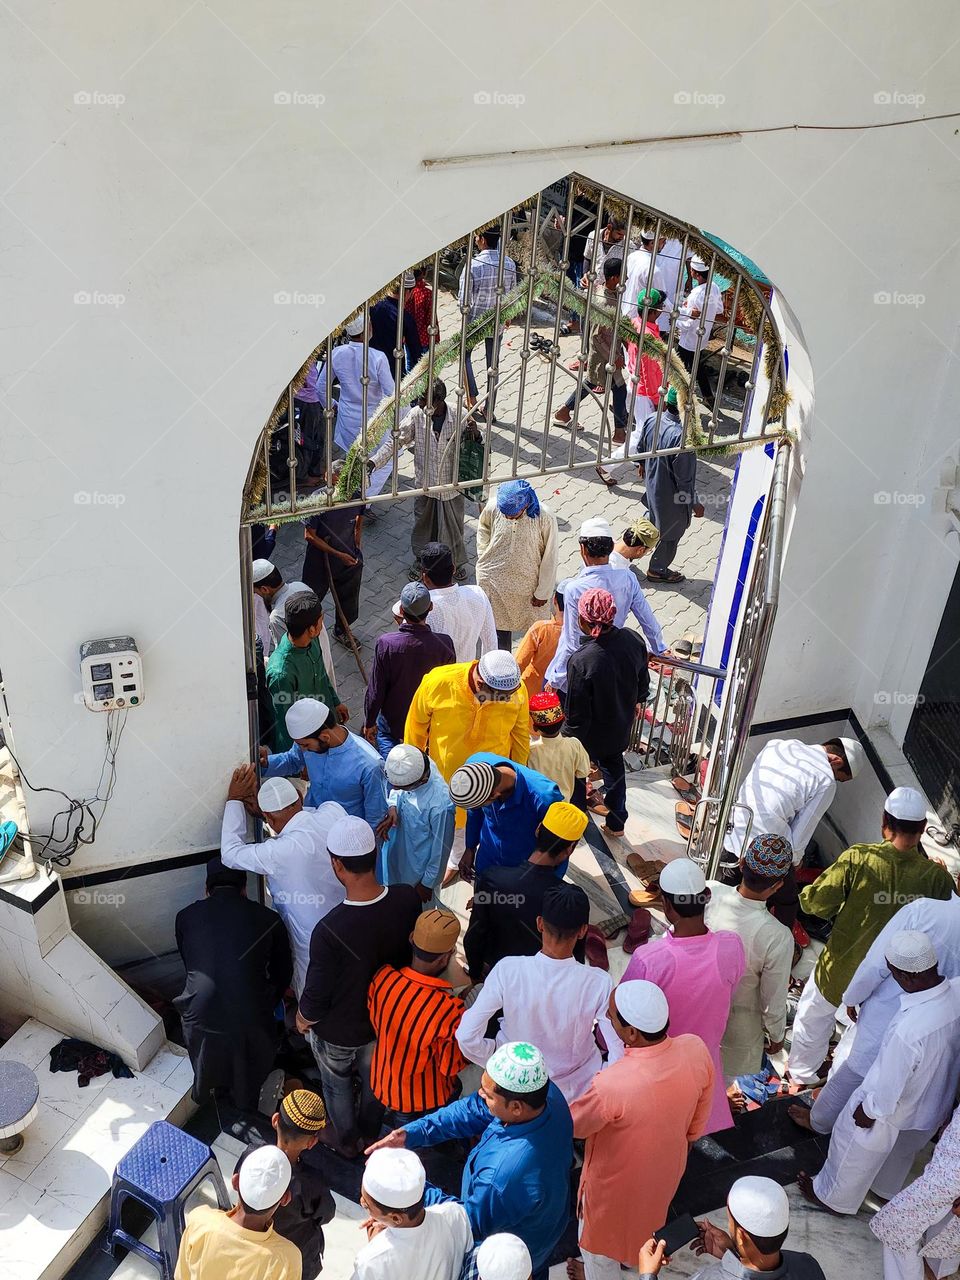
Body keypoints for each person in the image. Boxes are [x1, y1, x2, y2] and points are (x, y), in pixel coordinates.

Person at [787, 786, 954, 1086]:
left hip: (840, 969)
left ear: (884, 823)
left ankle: (801, 1076)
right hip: (894, 984)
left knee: (812, 1017)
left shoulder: (860, 858)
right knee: (863, 1043)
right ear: (923, 829)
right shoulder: (936, 879)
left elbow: (816, 903)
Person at [367, 1042, 574, 1280]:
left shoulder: (502, 1176)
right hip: (541, 1228)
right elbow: (472, 1110)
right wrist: (412, 1134)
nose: (481, 1096)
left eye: (488, 1095)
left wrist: (406, 1189)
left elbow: (467, 1223)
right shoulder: (546, 1095)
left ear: (516, 1107)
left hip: (507, 1252)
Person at [799, 931, 960, 1216]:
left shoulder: (909, 1030)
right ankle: (885, 1190)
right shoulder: (956, 992)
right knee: (902, 1152)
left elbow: (890, 1084)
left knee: (852, 1151)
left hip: (891, 1107)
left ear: (906, 977)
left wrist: (869, 1109)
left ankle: (833, 1200)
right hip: (933, 1102)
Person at [570, 981, 714, 1280]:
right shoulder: (695, 1049)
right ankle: (632, 1258)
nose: (606, 1019)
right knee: (645, 1226)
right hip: (665, 1172)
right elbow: (699, 1115)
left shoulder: (612, 1084)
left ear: (632, 1033)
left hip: (611, 1191)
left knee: (599, 1252)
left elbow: (575, 1125)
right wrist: (684, 1142)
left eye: (610, 1017)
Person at [296, 816, 422, 1156]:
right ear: (375, 851)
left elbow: (317, 996)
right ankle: (369, 1132)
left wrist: (302, 1018)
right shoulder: (406, 899)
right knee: (375, 1079)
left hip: (340, 1030)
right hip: (385, 1021)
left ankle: (348, 1142)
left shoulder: (329, 929)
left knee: (335, 1083)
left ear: (337, 865)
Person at [793, 890, 960, 1137]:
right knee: (907, 1086)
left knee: (858, 1069)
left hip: (889, 1010)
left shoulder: (924, 910)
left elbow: (877, 963)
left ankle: (821, 1121)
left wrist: (852, 997)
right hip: (942, 1027)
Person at [457, 883, 619, 1103]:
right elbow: (617, 1051)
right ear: (583, 931)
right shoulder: (599, 982)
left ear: (540, 923)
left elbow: (466, 1036)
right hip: (577, 1092)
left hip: (515, 1085)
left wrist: (496, 1056)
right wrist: (600, 1077)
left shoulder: (508, 970)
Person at [622, 858, 745, 1133]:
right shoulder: (731, 946)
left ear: (666, 905)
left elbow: (623, 1012)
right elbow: (729, 990)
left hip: (657, 1069)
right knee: (690, 1129)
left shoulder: (650, 958)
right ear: (706, 897)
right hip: (703, 1065)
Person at [174, 857, 292, 1111]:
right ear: (244, 889)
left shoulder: (185, 917)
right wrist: (262, 1002)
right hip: (251, 1020)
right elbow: (284, 973)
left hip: (199, 1016)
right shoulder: (269, 919)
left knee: (214, 1046)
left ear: (207, 890)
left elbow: (189, 963)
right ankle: (246, 1103)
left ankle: (211, 1092)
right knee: (248, 1051)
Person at [220, 767, 348, 996]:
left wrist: (234, 800)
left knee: (315, 1000)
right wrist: (272, 815)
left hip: (312, 944)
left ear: (267, 817)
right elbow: (308, 817)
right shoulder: (333, 812)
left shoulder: (280, 850)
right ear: (299, 797)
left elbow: (230, 854)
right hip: (348, 928)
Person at [723, 735, 867, 927]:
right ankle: (781, 940)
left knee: (725, 889)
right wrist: (795, 861)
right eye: (840, 778)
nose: (836, 781)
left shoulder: (778, 744)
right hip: (762, 850)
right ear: (836, 761)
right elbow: (803, 830)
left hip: (734, 828)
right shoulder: (825, 779)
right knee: (788, 900)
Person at [405, 650, 529, 872]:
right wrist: (413, 772)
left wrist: (517, 782)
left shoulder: (515, 692)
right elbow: (415, 727)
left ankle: (455, 860)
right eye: (501, 697)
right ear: (481, 683)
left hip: (490, 786)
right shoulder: (438, 681)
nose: (508, 700)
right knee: (444, 823)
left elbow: (520, 736)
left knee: (471, 828)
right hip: (443, 780)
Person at [704, 834, 795, 1082]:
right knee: (713, 1090)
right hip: (733, 1030)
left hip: (692, 1009)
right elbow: (772, 998)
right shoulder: (778, 936)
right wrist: (776, 1035)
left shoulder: (711, 891)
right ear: (778, 885)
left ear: (742, 863)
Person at [464, 802, 588, 979]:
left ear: (538, 829)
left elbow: (475, 935)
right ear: (570, 848)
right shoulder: (569, 900)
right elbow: (575, 954)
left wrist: (476, 976)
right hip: (537, 980)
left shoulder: (492, 878)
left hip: (494, 973)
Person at [563, 587, 650, 839]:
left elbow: (576, 715)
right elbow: (642, 686)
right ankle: (616, 822)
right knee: (614, 773)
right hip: (619, 727)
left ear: (582, 620)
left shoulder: (582, 660)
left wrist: (567, 741)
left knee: (578, 779)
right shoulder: (633, 640)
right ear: (612, 615)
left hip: (588, 736)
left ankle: (575, 826)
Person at [368, 908, 467, 1127]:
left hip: (381, 1080)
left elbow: (377, 1023)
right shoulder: (450, 1009)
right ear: (445, 958)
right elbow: (450, 1066)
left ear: (412, 940)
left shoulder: (383, 977)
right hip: (420, 1099)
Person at [545, 517, 665, 696]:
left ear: (582, 549)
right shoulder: (627, 578)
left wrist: (556, 680)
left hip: (580, 668)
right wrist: (660, 649)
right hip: (611, 661)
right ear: (610, 547)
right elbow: (648, 620)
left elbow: (571, 641)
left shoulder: (574, 588)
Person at [367, 380, 471, 577]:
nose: (421, 404)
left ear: (439, 400)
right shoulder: (416, 416)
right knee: (424, 526)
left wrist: (475, 433)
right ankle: (422, 562)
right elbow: (395, 441)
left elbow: (477, 445)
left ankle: (454, 563)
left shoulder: (460, 416)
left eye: (424, 400)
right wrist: (374, 462)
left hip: (452, 485)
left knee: (454, 527)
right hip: (425, 484)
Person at [637, 1175, 827, 1279]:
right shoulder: (807, 1265)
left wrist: (647, 1275)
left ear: (742, 1235)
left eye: (730, 1219)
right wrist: (734, 1254)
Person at [236, 1090, 334, 1280]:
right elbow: (326, 1215)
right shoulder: (312, 1184)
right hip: (296, 1251)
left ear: (275, 1120)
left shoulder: (250, 1155)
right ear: (312, 1142)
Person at [175, 1145, 301, 1280]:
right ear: (285, 1199)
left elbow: (182, 1276)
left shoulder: (200, 1220)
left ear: (235, 1181)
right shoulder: (288, 1259)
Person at [262, 699, 388, 827]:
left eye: (306, 745)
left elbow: (375, 817)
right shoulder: (309, 740)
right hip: (311, 822)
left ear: (324, 737)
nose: (304, 749)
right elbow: (292, 760)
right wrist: (264, 764)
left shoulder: (370, 765)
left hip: (345, 836)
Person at [363, 583, 455, 757]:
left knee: (392, 774)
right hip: (426, 731)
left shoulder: (386, 643)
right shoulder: (445, 645)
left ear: (402, 612)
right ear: (431, 607)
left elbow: (376, 691)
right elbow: (445, 692)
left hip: (392, 729)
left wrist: (369, 722)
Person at [870, 1102, 960, 1280]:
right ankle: (937, 1273)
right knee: (949, 1227)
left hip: (951, 1174)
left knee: (897, 1225)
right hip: (950, 1158)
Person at [354, 1148, 473, 1280]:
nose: (361, 1201)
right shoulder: (455, 1213)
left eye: (366, 1206)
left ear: (396, 1218)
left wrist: (375, 1246)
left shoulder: (371, 1261)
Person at [451, 751, 563, 881]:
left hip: (522, 873)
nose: (475, 809)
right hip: (487, 860)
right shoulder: (474, 767)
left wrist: (548, 885)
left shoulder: (544, 799)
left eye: (480, 805)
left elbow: (560, 847)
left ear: (494, 795)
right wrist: (470, 848)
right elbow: (474, 813)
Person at [476, 481, 559, 650]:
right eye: (506, 514)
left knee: (535, 635)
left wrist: (543, 591)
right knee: (497, 631)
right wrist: (484, 554)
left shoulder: (544, 517)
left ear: (526, 504)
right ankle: (499, 670)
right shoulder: (494, 506)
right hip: (496, 583)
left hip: (529, 587)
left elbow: (550, 556)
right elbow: (483, 528)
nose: (508, 518)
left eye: (514, 515)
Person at [634, 388, 705, 584]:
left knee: (651, 518)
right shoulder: (683, 440)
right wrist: (694, 503)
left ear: (666, 404)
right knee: (670, 534)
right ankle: (657, 569)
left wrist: (641, 465)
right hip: (671, 496)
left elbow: (641, 446)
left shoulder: (652, 418)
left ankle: (628, 550)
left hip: (653, 483)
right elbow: (685, 481)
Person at [552, 258, 628, 436]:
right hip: (604, 357)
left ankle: (563, 412)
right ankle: (619, 432)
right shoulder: (603, 301)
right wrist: (613, 357)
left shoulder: (610, 293)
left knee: (593, 384)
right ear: (615, 278)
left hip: (609, 355)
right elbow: (595, 336)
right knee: (617, 390)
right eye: (623, 275)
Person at [266, 591, 347, 752]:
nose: (323, 624)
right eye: (321, 621)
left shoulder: (312, 640)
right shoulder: (280, 673)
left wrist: (336, 702)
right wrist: (300, 760)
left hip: (325, 721)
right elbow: (284, 723)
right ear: (311, 629)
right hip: (309, 742)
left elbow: (322, 673)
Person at [377, 745, 455, 902]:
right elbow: (395, 790)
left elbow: (440, 851)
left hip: (418, 874)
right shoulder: (413, 761)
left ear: (422, 781)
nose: (396, 788)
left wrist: (427, 884)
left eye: (401, 787)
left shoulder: (440, 805)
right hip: (396, 853)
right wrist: (392, 806)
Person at [317, 314, 395, 460]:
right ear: (368, 329)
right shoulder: (378, 357)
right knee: (376, 462)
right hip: (373, 421)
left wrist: (331, 405)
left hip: (347, 420)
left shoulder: (337, 353)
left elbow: (320, 388)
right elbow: (391, 394)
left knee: (352, 459)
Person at [459, 227, 518, 416]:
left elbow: (463, 301)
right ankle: (489, 408)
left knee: (464, 356)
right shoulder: (508, 264)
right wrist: (508, 315)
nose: (476, 239)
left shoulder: (473, 265)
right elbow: (513, 295)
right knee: (493, 365)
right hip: (498, 321)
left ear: (482, 239)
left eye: (477, 236)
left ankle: (472, 399)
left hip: (475, 322)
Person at [253, 559, 335, 678]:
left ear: (265, 589)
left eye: (256, 592)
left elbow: (287, 655)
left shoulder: (276, 617)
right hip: (322, 650)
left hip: (306, 668)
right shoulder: (300, 585)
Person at [302, 497, 365, 647]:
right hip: (319, 561)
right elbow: (309, 535)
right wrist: (337, 554)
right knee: (310, 600)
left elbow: (359, 520)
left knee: (348, 597)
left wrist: (356, 545)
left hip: (349, 557)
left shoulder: (357, 495)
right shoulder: (318, 500)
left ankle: (342, 630)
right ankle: (303, 634)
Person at [420, 542, 497, 660]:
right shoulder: (477, 594)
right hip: (466, 674)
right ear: (454, 569)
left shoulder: (423, 610)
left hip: (438, 677)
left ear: (425, 577)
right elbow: (491, 643)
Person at [527, 692, 590, 805]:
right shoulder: (574, 745)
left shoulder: (530, 751)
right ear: (562, 720)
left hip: (537, 808)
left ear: (535, 727)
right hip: (565, 807)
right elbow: (583, 772)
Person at [676, 255, 724, 403]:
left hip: (688, 339)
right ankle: (708, 395)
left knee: (678, 367)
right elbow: (720, 310)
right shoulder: (714, 287)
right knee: (697, 365)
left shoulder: (695, 295)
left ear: (695, 273)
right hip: (703, 335)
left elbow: (689, 322)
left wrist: (676, 323)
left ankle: (678, 396)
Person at [516, 586, 565, 703]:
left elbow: (519, 663)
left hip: (531, 693)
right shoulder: (582, 632)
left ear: (554, 601)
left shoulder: (541, 629)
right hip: (561, 698)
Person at [622, 228, 673, 325]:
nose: (665, 244)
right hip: (641, 321)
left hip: (625, 313)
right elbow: (662, 301)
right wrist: (685, 314)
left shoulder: (632, 257)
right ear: (652, 243)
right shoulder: (654, 270)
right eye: (663, 241)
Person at [370, 286, 423, 372]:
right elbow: (417, 354)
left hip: (370, 363)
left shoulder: (373, 305)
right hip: (392, 369)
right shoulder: (405, 318)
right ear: (407, 293)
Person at [404, 269, 435, 352]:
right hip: (423, 337)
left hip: (408, 336)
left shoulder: (406, 292)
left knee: (409, 362)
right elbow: (430, 318)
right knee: (423, 362)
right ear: (423, 274)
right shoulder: (427, 293)